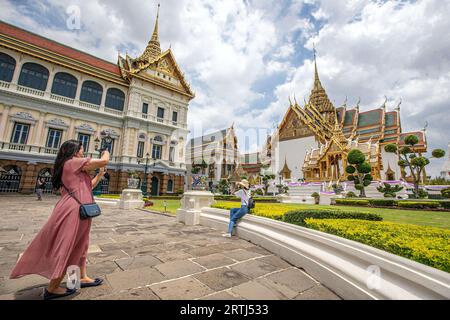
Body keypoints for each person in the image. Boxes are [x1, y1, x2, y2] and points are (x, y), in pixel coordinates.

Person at [10, 140, 110, 300]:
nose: (83, 152)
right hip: (74, 211)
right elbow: (104, 160)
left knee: (80, 245)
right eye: (82, 150)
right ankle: (52, 288)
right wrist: (106, 149)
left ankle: (77, 279)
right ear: (74, 151)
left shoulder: (72, 167)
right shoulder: (72, 162)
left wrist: (98, 175)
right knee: (69, 246)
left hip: (80, 210)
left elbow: (87, 186)